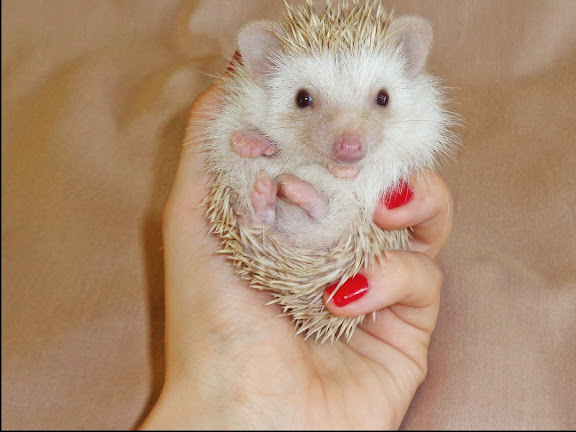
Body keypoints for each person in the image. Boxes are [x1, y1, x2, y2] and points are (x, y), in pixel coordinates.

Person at [139, 74, 454, 429]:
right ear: (262, 67)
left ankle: (306, 208)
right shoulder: (251, 107)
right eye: (306, 100)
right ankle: (298, 209)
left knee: (333, 194)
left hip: (331, 217)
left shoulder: (412, 125)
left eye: (380, 100)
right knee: (251, 171)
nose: (349, 138)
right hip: (292, 217)